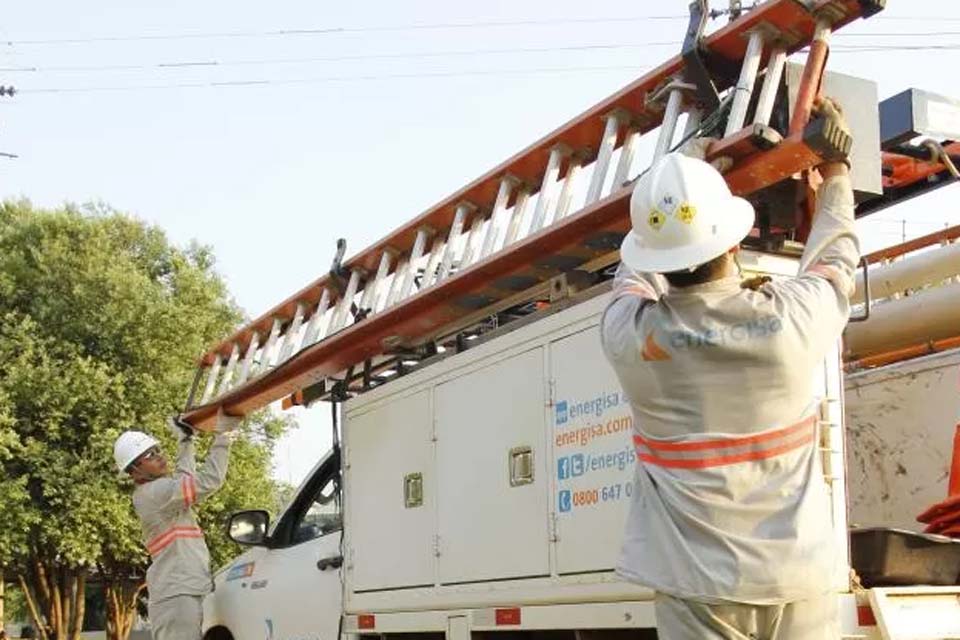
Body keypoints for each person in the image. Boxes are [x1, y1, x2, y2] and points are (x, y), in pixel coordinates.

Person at [600, 98, 858, 639]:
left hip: (694, 586)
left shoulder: (628, 337)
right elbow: (835, 260)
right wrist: (835, 172)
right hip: (799, 572)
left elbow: (632, 275)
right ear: (734, 238)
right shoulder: (790, 321)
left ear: (655, 259)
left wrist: (677, 171)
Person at [113, 412, 240, 640]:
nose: (160, 457)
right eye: (149, 456)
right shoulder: (154, 493)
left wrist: (186, 441)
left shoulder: (163, 492)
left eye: (157, 450)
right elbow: (210, 480)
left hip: (183, 590)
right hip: (177, 595)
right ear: (134, 471)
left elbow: (185, 477)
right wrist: (223, 437)